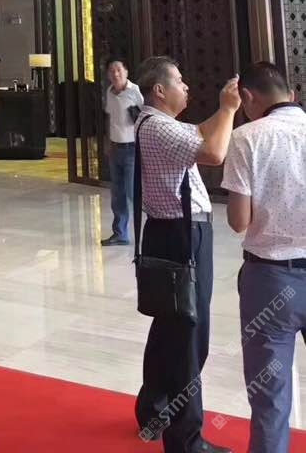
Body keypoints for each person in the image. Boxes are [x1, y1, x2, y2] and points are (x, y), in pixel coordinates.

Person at [134, 55, 240, 453]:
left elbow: (201, 132)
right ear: (160, 90)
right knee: (190, 338)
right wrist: (229, 108)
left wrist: (222, 109)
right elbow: (214, 152)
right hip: (183, 235)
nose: (186, 86)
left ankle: (153, 410)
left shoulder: (156, 123)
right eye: (179, 81)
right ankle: (186, 440)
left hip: (170, 232)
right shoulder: (159, 127)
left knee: (169, 327)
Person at [222, 62, 306, 453]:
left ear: (248, 97)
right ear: (291, 94)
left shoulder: (246, 138)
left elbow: (239, 221)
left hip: (271, 280)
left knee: (270, 398)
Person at [101, 58, 144, 246]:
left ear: (126, 71)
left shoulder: (135, 91)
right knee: (117, 194)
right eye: (112, 71)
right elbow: (110, 118)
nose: (115, 74)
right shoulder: (109, 92)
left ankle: (147, 232)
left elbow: (146, 117)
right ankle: (120, 233)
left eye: (119, 69)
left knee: (133, 193)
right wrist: (107, 142)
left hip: (132, 149)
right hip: (115, 148)